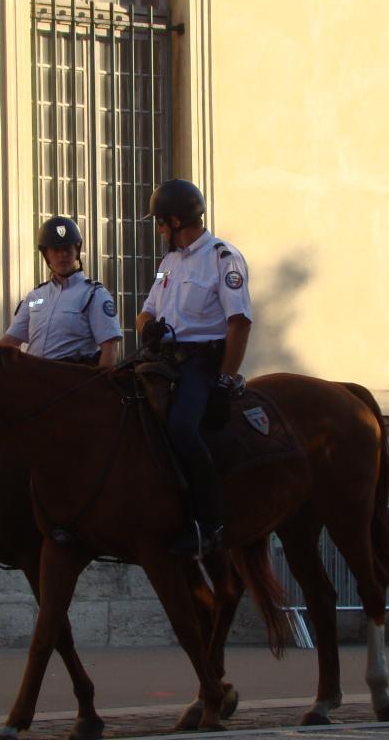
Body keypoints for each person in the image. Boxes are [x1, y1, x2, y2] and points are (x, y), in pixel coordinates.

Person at [135, 179, 252, 557]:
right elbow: (146, 312)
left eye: (160, 223)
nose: (159, 230)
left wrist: (224, 379)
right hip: (162, 359)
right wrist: (147, 327)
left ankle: (210, 523)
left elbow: (239, 322)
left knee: (183, 428)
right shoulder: (169, 262)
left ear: (174, 219)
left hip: (200, 364)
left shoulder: (223, 258)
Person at [0, 216, 121, 367]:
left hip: (72, 383)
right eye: (56, 250)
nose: (62, 255)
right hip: (33, 380)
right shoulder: (35, 296)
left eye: (67, 249)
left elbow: (110, 347)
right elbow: (10, 341)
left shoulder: (94, 294)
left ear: (76, 251)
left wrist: (99, 387)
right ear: (46, 254)